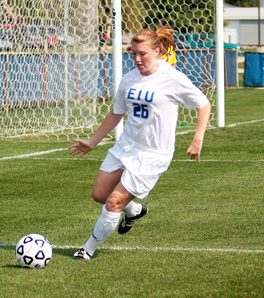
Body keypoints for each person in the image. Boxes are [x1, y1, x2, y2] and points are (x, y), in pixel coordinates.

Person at [68, 26, 211, 260]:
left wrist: (198, 138)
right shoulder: (130, 78)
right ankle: (134, 210)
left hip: (153, 154)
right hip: (126, 146)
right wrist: (92, 142)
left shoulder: (172, 78)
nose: (137, 59)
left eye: (142, 54)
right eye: (133, 53)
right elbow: (116, 113)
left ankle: (88, 248)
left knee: (114, 202)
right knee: (99, 194)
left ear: (157, 51)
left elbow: (203, 104)